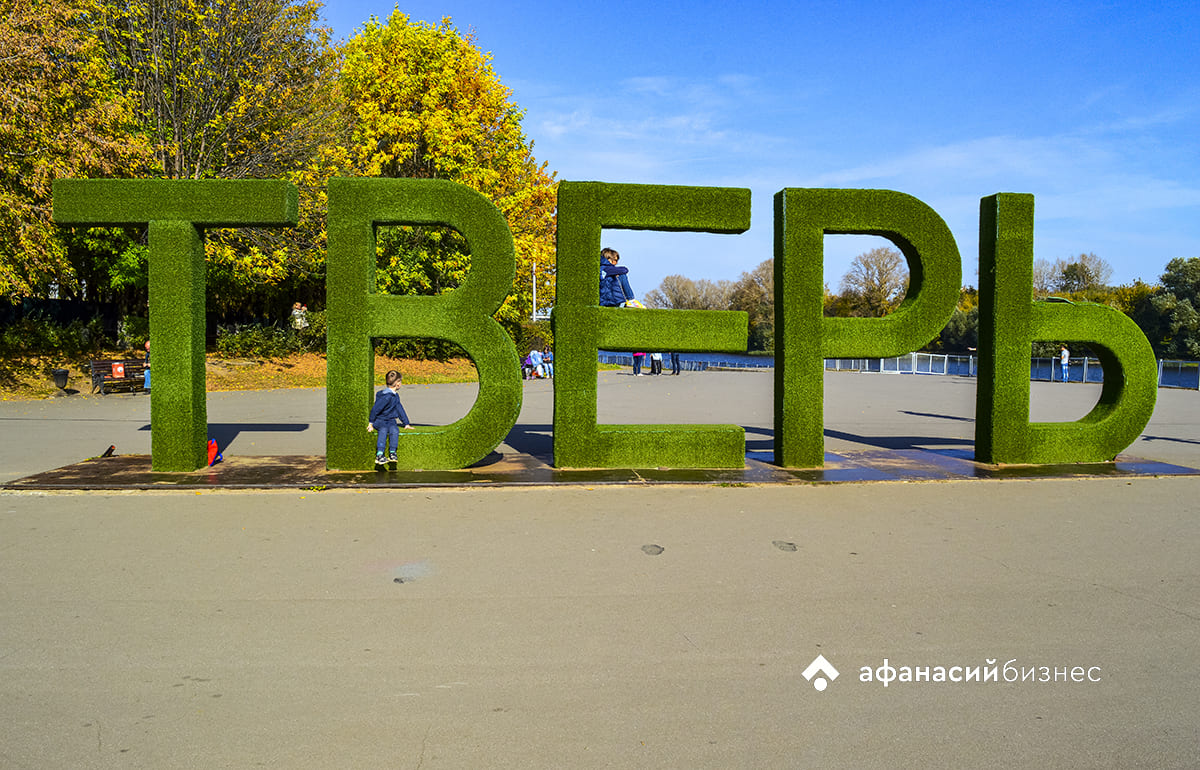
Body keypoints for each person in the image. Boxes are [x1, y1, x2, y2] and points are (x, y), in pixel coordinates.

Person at [367, 370, 412, 463]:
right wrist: (371, 423)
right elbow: (375, 409)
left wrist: (406, 423)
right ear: (397, 383)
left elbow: (400, 409)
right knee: (383, 430)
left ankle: (392, 453)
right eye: (400, 381)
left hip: (391, 420)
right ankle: (379, 454)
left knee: (395, 430)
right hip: (380, 420)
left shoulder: (395, 396)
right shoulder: (386, 397)